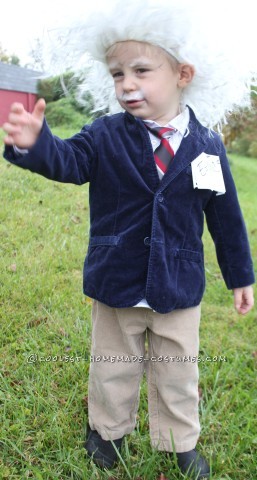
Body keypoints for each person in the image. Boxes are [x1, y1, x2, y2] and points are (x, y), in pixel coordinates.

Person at [2, 1, 255, 478]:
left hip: (179, 285)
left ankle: (180, 441)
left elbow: (225, 217)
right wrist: (34, 144)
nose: (127, 84)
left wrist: (241, 276)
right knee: (113, 365)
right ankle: (107, 431)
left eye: (141, 70)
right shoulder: (104, 134)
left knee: (179, 371)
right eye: (117, 74)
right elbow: (69, 162)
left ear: (183, 73)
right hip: (117, 279)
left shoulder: (208, 146)